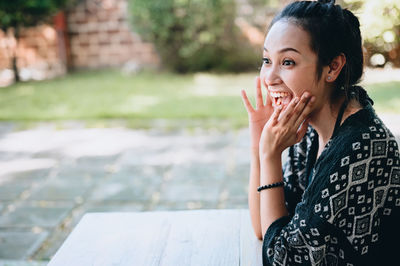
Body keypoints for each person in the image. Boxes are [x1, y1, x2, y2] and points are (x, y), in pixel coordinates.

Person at [240, 0, 400, 265]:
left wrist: (270, 156)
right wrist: (260, 146)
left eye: (287, 62)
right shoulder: (309, 128)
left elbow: (281, 259)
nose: (269, 77)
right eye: (267, 60)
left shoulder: (362, 148)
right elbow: (263, 227)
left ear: (333, 67)